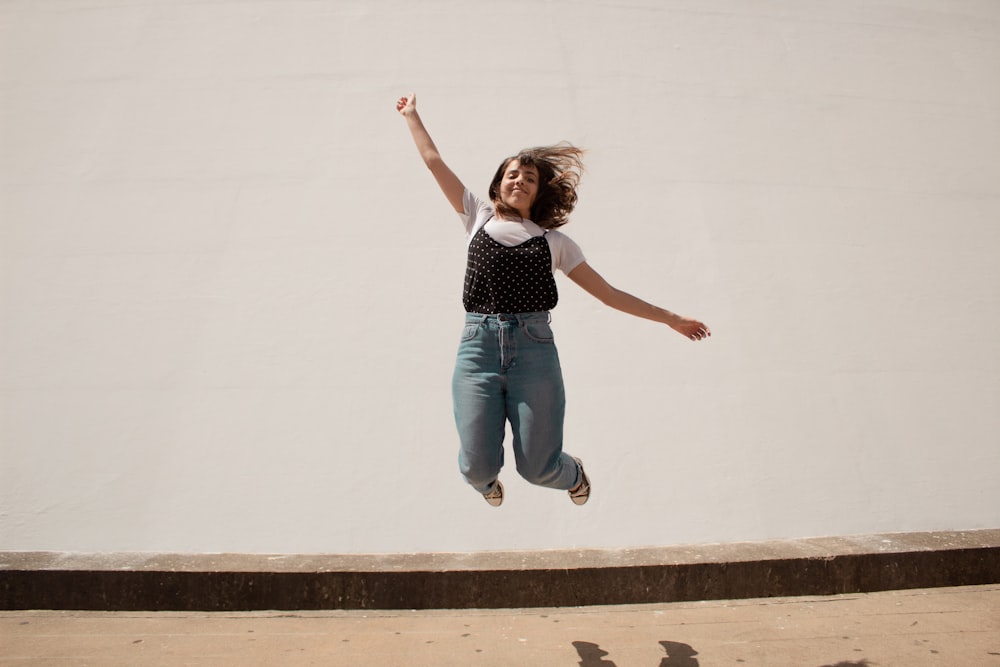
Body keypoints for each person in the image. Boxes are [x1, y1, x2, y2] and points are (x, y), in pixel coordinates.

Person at [396, 93, 710, 507]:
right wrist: (412, 115)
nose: (519, 181)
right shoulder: (477, 216)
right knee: (476, 468)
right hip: (477, 350)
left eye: (529, 178)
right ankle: (487, 484)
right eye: (512, 174)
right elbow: (434, 161)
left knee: (539, 468)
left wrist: (671, 318)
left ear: (537, 193)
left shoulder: (554, 243)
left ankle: (573, 473)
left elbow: (609, 294)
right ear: (497, 185)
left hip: (533, 352)